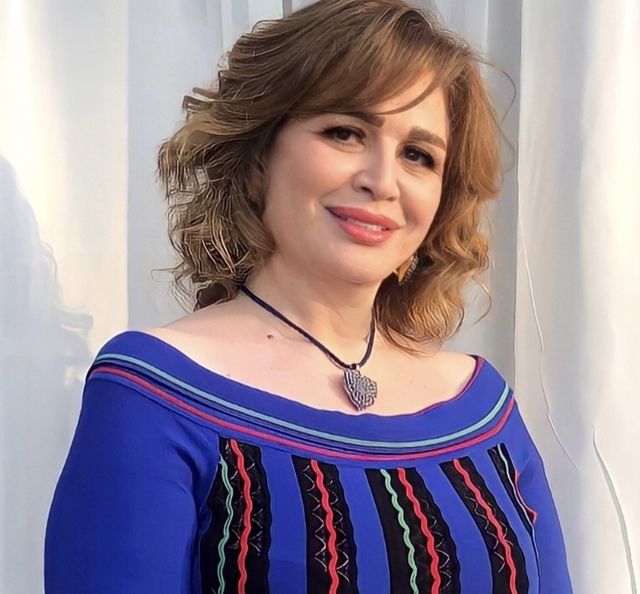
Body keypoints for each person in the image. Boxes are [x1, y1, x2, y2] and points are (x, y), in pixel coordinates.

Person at [44, 0, 573, 592]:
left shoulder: (486, 412)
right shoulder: (152, 393)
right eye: (345, 132)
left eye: (418, 155)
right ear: (259, 151)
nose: (382, 180)